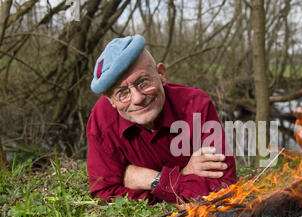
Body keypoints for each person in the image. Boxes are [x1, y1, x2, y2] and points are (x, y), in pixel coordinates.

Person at [86, 34, 236, 205]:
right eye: (122, 93)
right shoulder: (102, 121)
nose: (137, 98)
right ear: (111, 100)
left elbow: (224, 187)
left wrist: (145, 179)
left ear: (161, 74)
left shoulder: (196, 106)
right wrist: (179, 176)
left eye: (143, 82)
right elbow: (104, 193)